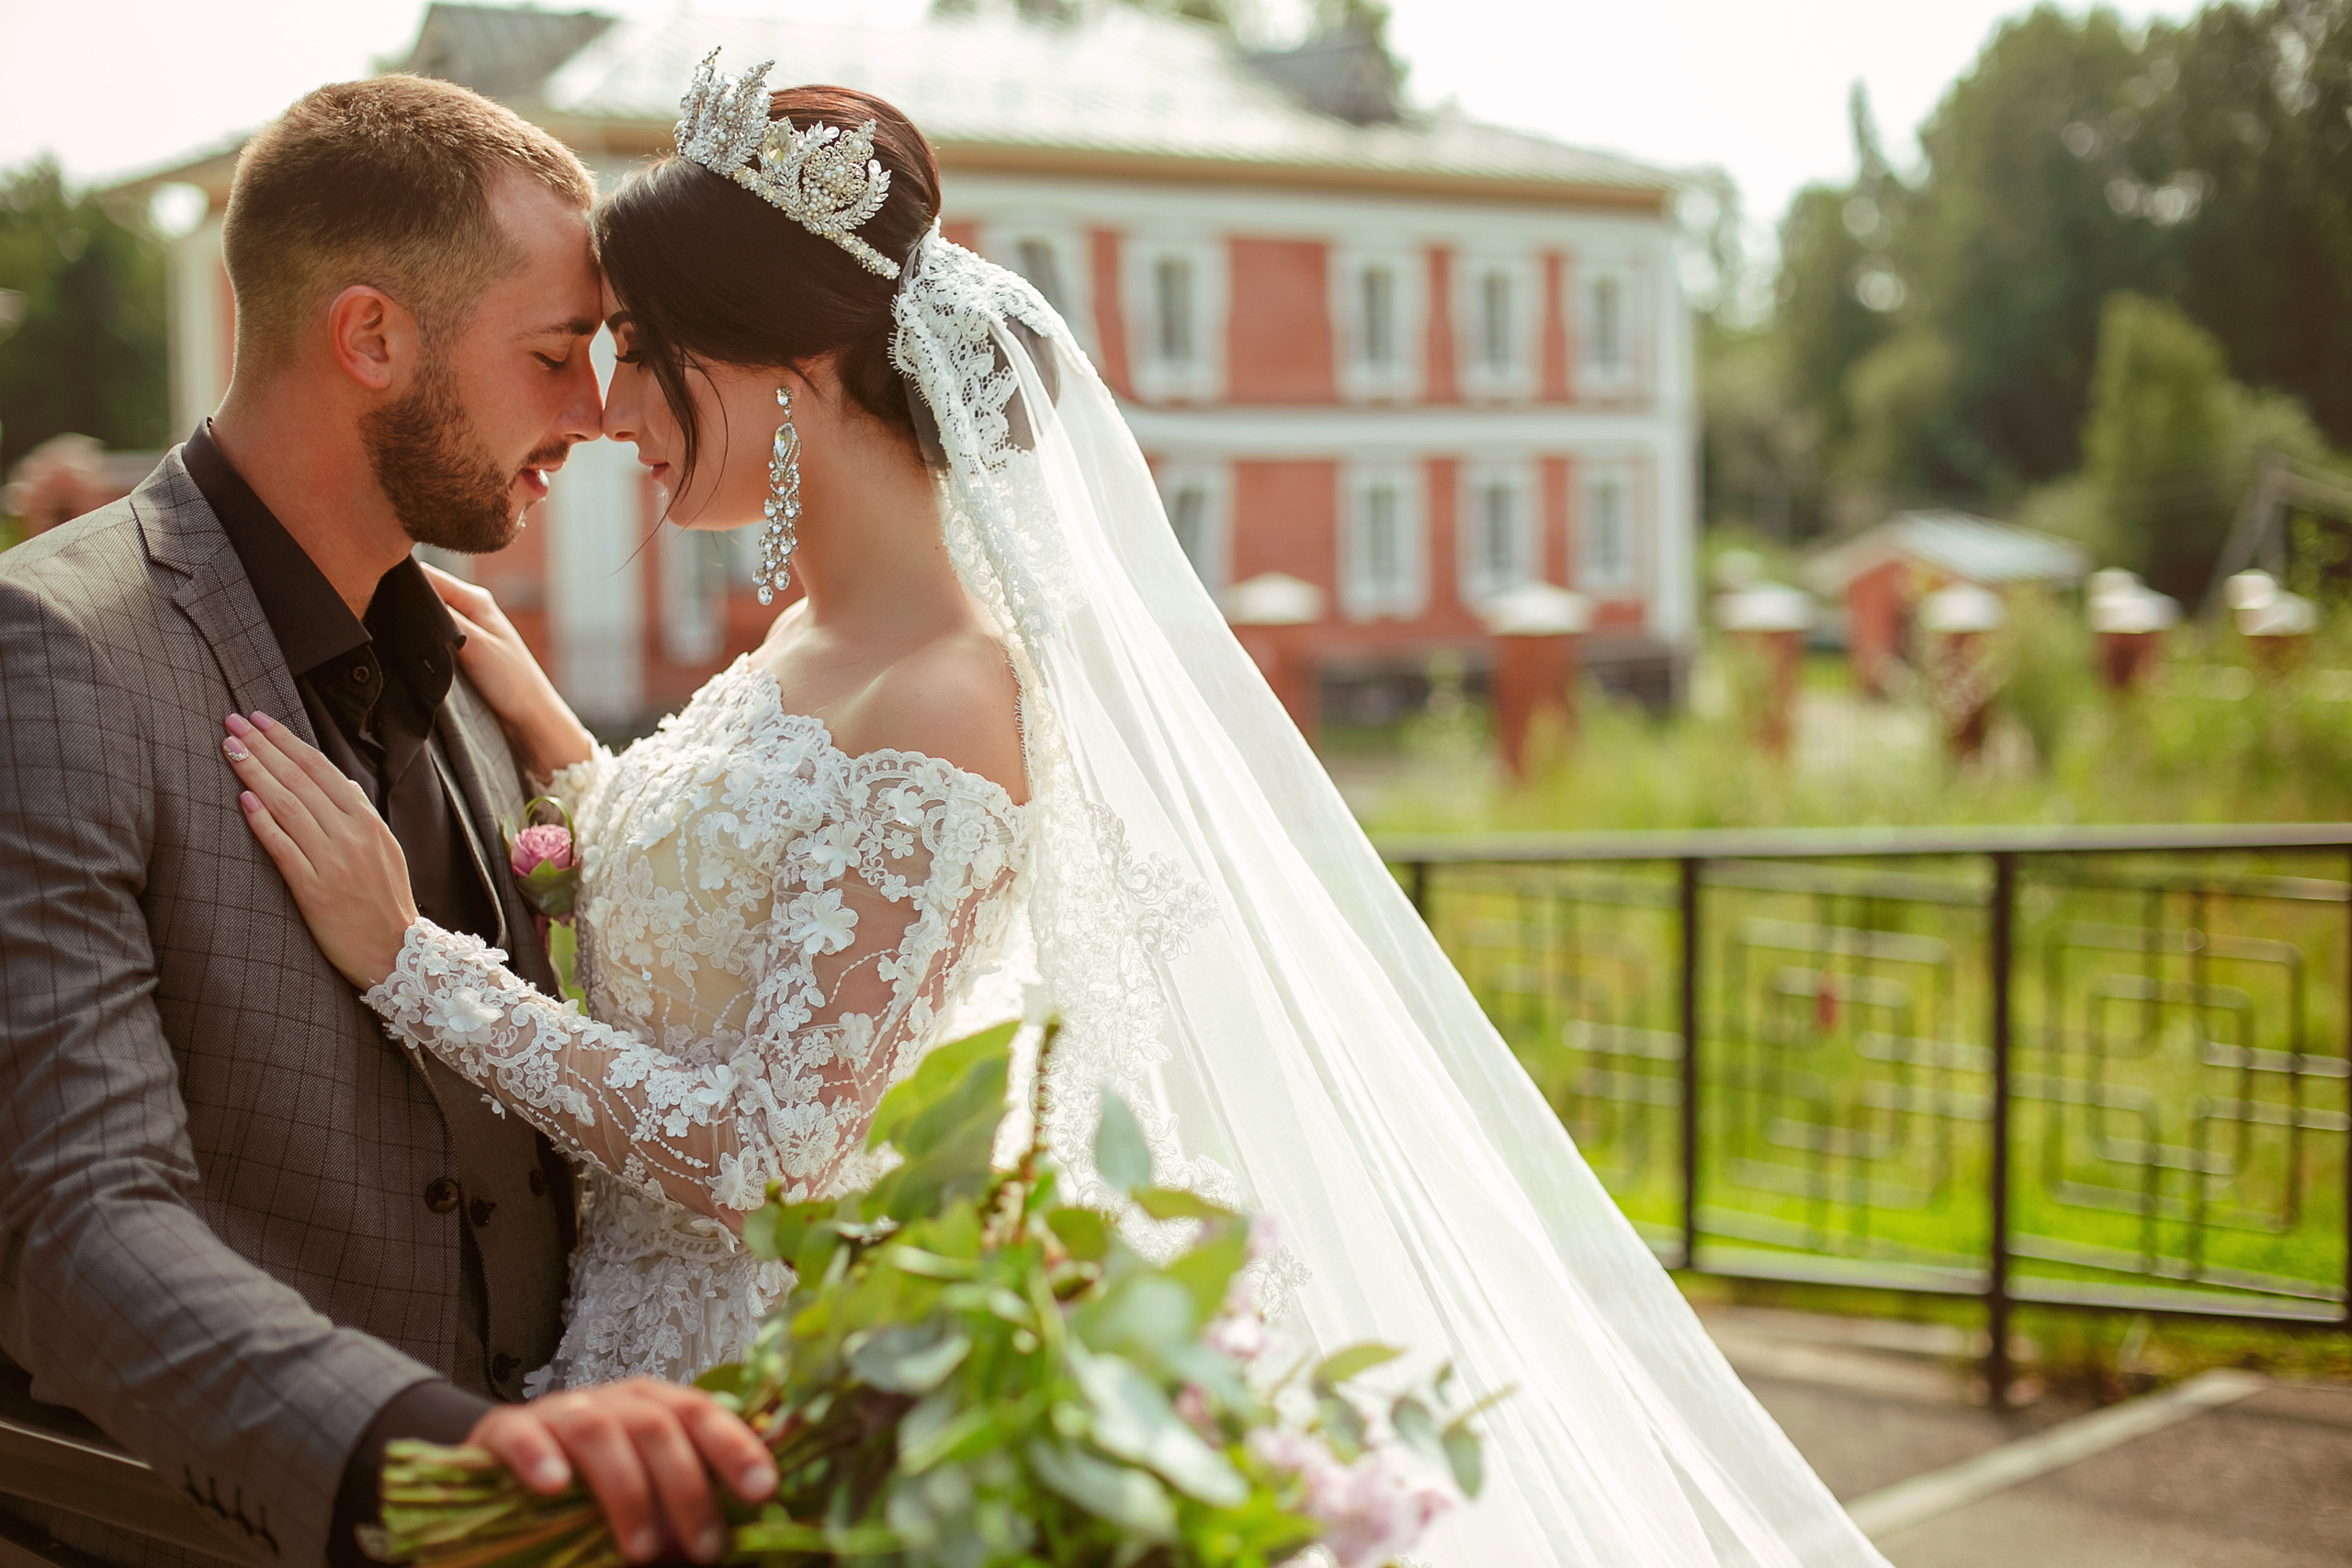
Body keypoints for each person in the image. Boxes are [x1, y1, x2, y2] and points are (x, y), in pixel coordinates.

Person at [224, 56, 1896, 1567]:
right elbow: (730, 917)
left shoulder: (950, 695)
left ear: (783, 372)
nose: (607, 412)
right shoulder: (805, 643)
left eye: (644, 357)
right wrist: (551, 732)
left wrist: (411, 961)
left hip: (775, 1402)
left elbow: (767, 1152)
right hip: (628, 1361)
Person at [0, 76, 771, 1568]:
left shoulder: (476, 669)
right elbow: (74, 1217)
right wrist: (453, 1462)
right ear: (370, 338)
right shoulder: (54, 651)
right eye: (551, 354)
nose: (595, 413)